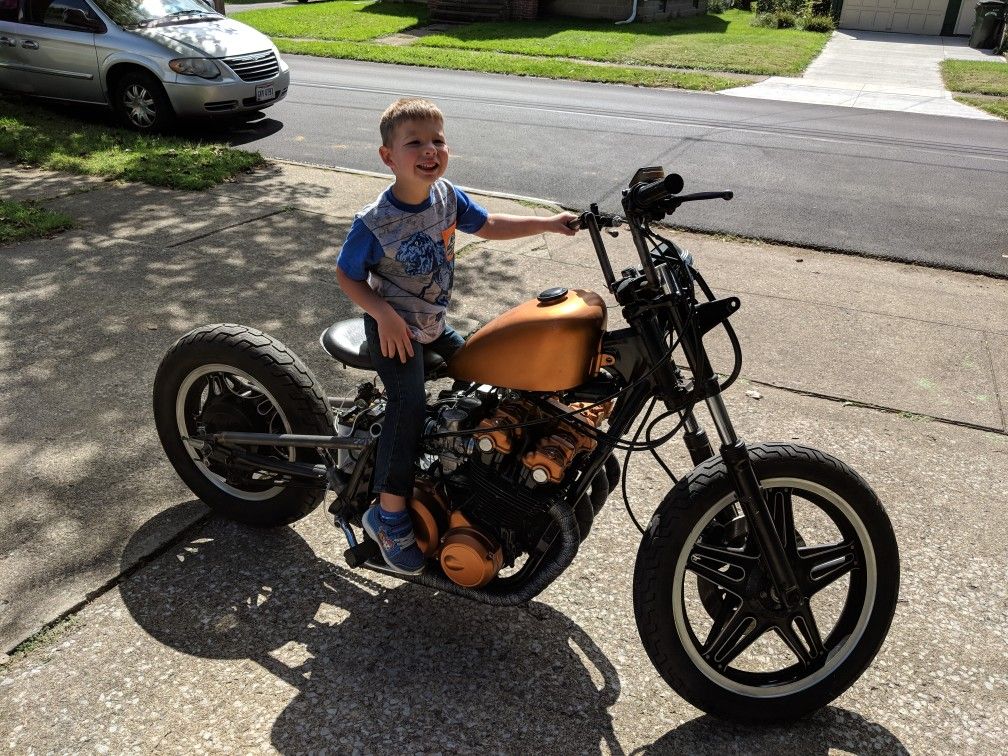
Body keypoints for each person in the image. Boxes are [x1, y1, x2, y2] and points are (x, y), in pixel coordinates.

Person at [336, 97, 577, 574]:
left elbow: (487, 224)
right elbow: (346, 276)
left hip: (432, 324)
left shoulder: (445, 196)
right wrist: (383, 316)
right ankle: (387, 517)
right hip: (394, 331)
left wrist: (549, 222)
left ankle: (470, 471)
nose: (430, 151)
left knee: (489, 370)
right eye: (415, 143)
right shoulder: (375, 222)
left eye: (438, 141)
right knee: (409, 409)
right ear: (388, 157)